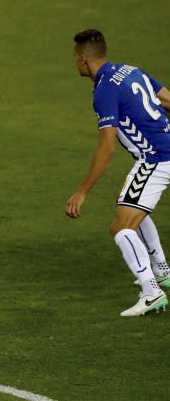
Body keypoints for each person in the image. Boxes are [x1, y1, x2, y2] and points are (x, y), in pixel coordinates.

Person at [66, 29, 170, 317]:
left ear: (84, 60)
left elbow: (107, 148)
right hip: (163, 152)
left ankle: (152, 293)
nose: (75, 63)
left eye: (75, 58)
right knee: (128, 203)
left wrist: (82, 191)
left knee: (121, 227)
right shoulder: (130, 70)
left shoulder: (105, 91)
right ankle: (161, 271)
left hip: (156, 159)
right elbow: (169, 101)